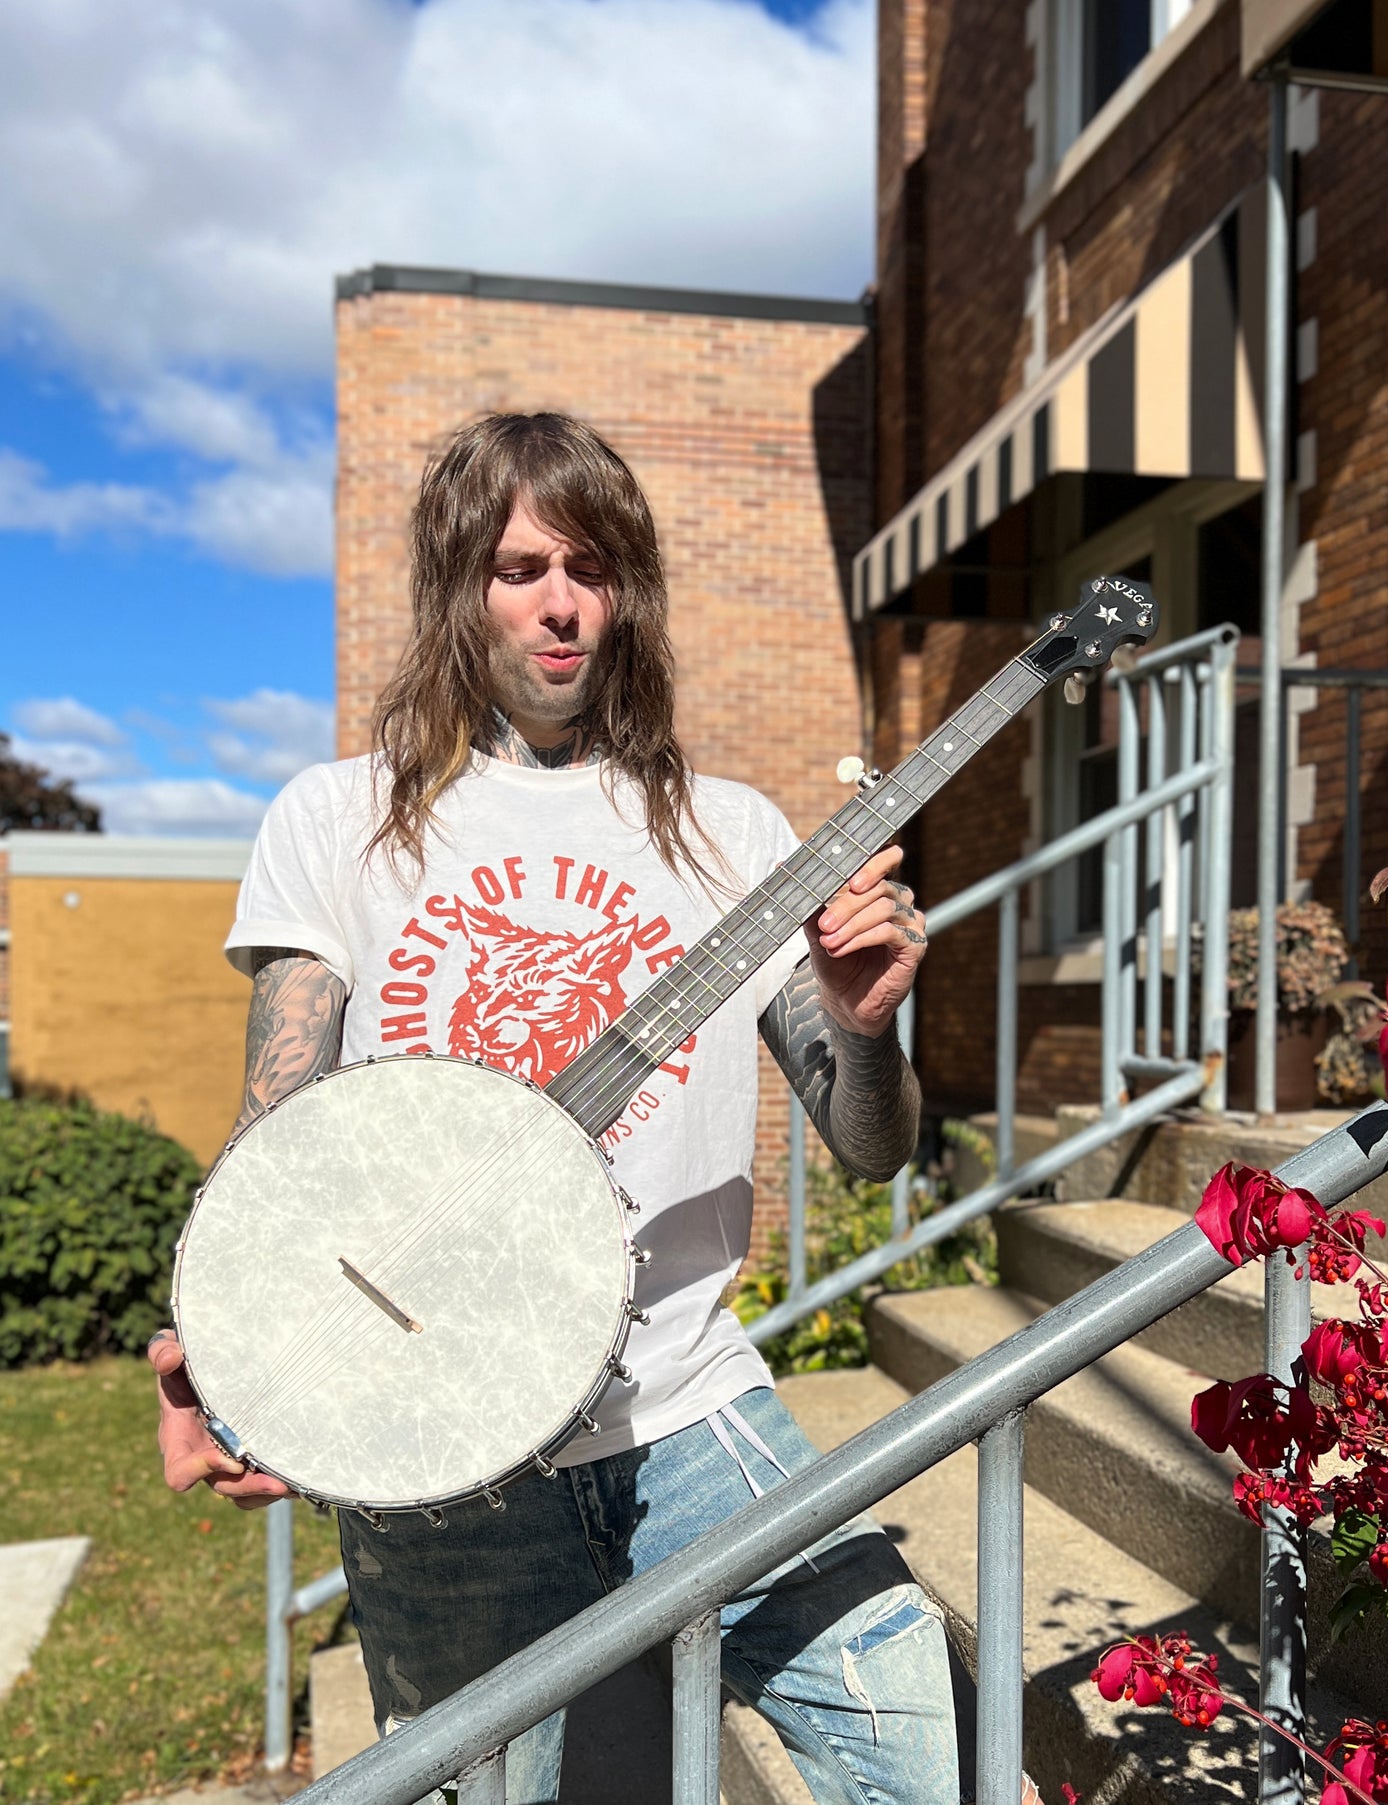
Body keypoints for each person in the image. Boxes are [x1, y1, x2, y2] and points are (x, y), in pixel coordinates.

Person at [149, 411, 969, 1804]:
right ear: (454, 584)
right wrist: (234, 1347)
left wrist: (866, 1024)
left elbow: (869, 1145)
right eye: (517, 566)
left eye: (589, 565)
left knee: (917, 1746)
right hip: (441, 1448)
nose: (559, 603)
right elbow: (278, 1135)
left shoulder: (735, 835)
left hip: (689, 1410)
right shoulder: (337, 817)